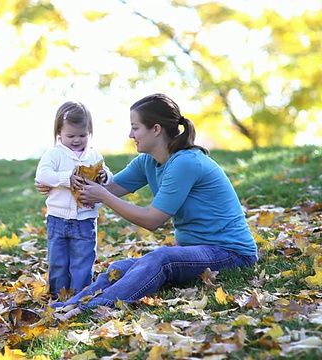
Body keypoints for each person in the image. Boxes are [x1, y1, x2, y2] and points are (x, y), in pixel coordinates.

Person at [36, 93, 258, 310]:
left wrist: (103, 196)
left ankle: (93, 307)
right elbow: (107, 188)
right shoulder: (147, 162)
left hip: (230, 252)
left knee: (162, 258)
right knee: (119, 268)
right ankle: (69, 305)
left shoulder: (185, 163)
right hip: (194, 248)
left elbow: (152, 219)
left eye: (135, 127)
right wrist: (59, 185)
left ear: (156, 129)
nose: (130, 135)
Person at [35, 101, 113, 300]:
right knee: (58, 261)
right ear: (59, 132)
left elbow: (108, 175)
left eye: (82, 135)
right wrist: (65, 179)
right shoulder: (54, 154)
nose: (77, 140)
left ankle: (80, 295)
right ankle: (58, 294)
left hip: (85, 219)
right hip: (58, 219)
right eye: (71, 136)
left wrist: (105, 176)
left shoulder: (94, 155)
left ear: (89, 132)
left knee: (83, 260)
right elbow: (42, 175)